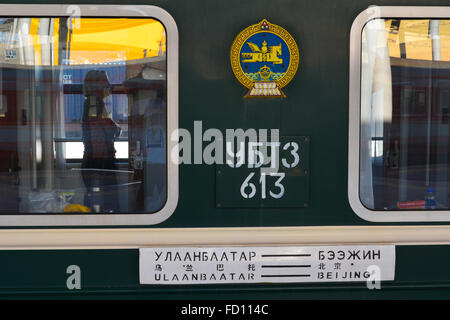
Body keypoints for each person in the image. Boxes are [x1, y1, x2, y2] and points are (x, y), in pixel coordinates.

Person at [81, 70, 121, 212]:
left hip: (96, 158)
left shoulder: (95, 102)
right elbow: (101, 126)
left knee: (96, 200)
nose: (109, 85)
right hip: (100, 160)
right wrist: (116, 128)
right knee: (108, 203)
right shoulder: (95, 102)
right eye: (105, 81)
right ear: (96, 84)